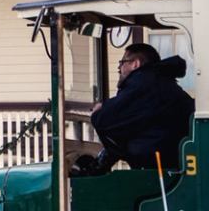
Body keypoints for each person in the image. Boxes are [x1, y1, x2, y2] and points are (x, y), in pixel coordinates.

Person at [77, 44, 194, 175]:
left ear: (135, 64)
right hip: (167, 163)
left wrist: (97, 112)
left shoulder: (143, 84)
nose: (119, 68)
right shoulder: (158, 82)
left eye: (122, 62)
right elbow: (128, 123)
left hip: (159, 170)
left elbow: (105, 121)